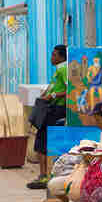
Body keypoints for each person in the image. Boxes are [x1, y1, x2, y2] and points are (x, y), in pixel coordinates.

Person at [27, 45, 68, 189]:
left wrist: (53, 96)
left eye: (54, 55)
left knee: (42, 141)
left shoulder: (64, 69)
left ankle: (45, 175)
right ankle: (43, 174)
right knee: (41, 141)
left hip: (56, 109)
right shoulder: (59, 70)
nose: (52, 58)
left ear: (62, 57)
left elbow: (71, 89)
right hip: (51, 108)